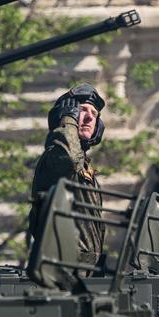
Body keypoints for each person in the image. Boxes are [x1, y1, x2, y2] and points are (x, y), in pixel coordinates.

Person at [29, 84, 106, 269]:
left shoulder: (85, 165)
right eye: (81, 110)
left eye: (94, 114)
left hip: (82, 268)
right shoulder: (57, 155)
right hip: (61, 267)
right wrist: (68, 121)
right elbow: (69, 158)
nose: (89, 117)